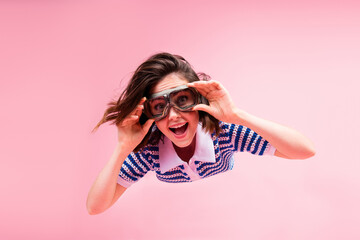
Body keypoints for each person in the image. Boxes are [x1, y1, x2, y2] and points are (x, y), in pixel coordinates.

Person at [86, 52, 315, 215]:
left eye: (182, 100)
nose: (173, 115)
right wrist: (122, 149)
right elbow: (95, 207)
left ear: (198, 100)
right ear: (150, 113)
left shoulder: (224, 133)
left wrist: (236, 115)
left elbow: (304, 151)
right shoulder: (151, 151)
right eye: (159, 106)